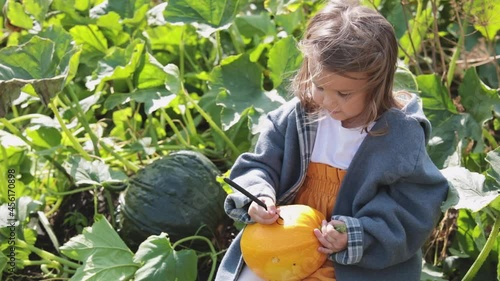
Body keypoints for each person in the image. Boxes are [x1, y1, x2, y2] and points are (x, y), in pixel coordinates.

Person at [215, 0, 449, 280]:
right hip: (284, 245)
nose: (328, 100)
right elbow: (258, 166)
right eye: (319, 86)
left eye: (344, 94)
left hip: (358, 261)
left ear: (376, 86)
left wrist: (355, 236)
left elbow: (412, 208)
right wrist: (259, 194)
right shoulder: (297, 118)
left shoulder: (399, 137)